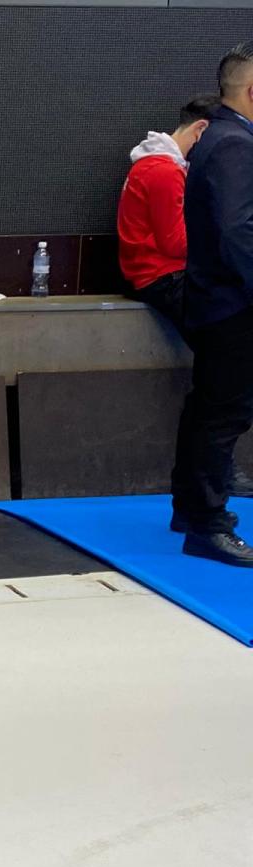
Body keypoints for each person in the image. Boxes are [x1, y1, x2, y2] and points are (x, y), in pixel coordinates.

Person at [171, 41, 253, 566]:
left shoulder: (222, 136)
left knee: (210, 410)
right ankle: (206, 522)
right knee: (222, 415)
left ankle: (191, 510)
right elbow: (236, 230)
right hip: (232, 303)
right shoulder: (233, 145)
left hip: (220, 299)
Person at [117, 95, 219, 332]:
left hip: (150, 274)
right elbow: (175, 244)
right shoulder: (165, 172)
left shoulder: (150, 164)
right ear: (201, 129)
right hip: (163, 277)